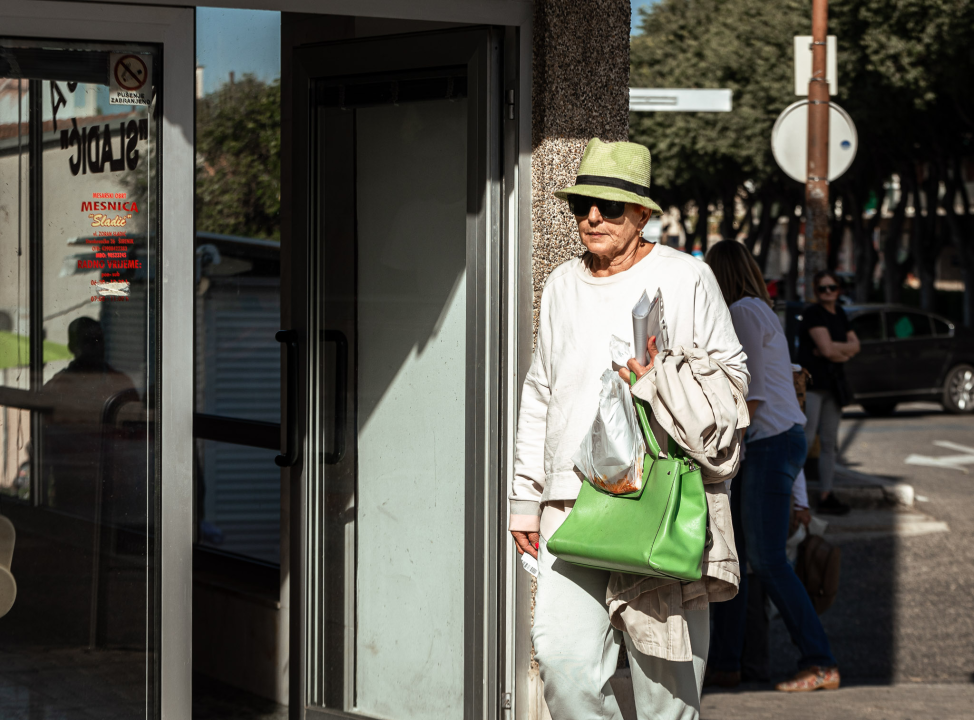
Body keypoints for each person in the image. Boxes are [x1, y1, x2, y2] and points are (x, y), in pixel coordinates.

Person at [510, 138, 749, 720]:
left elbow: (734, 380)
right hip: (573, 503)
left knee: (666, 690)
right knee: (562, 662)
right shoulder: (563, 283)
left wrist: (660, 374)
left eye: (610, 207)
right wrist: (524, 496)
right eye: (582, 205)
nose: (593, 217)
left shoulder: (686, 277)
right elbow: (541, 388)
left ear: (642, 214)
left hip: (662, 503)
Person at [704, 240, 840, 692]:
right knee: (738, 560)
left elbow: (753, 395)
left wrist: (721, 453)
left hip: (767, 445)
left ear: (719, 275)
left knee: (765, 560)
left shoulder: (742, 313)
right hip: (774, 443)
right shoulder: (759, 310)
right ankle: (727, 662)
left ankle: (819, 661)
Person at [798, 270, 860, 515]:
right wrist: (839, 350)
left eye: (831, 287)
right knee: (805, 438)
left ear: (838, 289)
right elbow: (826, 350)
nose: (827, 292)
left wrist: (837, 350)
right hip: (813, 386)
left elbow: (856, 346)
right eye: (822, 288)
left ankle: (826, 494)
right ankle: (796, 497)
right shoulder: (813, 313)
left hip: (834, 386)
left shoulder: (841, 313)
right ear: (815, 290)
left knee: (829, 443)